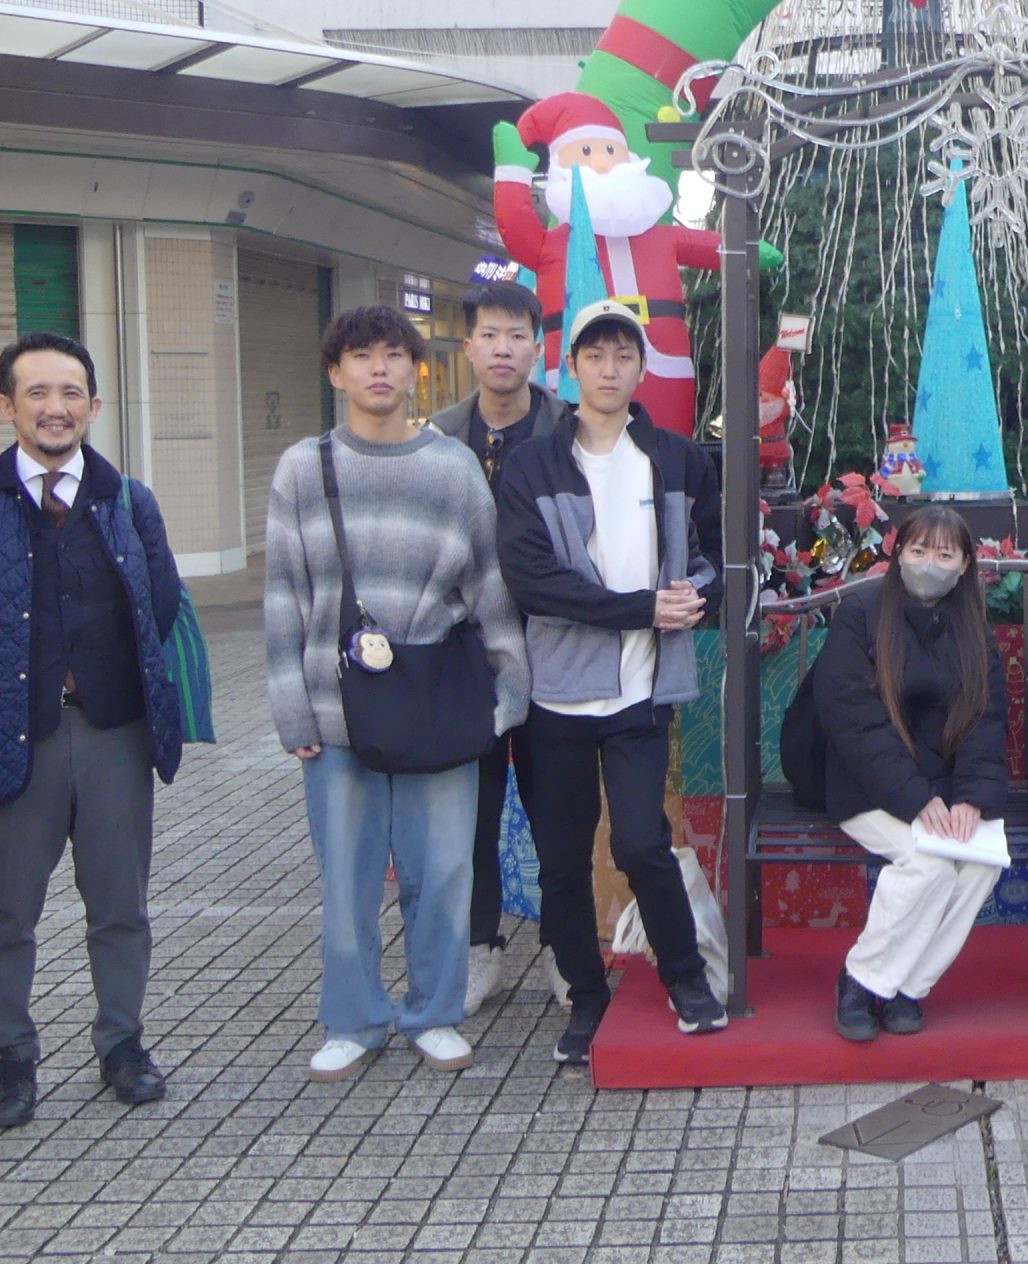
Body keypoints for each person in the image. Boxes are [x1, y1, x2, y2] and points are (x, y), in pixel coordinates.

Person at [0, 334, 186, 1130]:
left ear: (94, 406)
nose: (55, 407)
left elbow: (161, 604)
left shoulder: (129, 501)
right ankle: (9, 1060)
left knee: (120, 905)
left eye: (71, 392)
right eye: (36, 393)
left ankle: (123, 1045)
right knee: (5, 914)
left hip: (112, 734)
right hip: (12, 738)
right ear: (7, 406)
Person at [266, 304, 530, 1083]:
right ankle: (354, 1018)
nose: (377, 369)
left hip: (439, 700)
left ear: (417, 368)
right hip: (336, 703)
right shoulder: (302, 468)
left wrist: (508, 690)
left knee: (444, 867)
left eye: (393, 355)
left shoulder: (450, 467)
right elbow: (284, 593)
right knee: (346, 872)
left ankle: (435, 1010)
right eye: (360, 356)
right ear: (335, 371)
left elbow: (490, 587)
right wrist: (291, 707)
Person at [493, 297, 726, 1066]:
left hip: (639, 694)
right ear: (572, 367)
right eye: (595, 354)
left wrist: (700, 592)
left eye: (624, 354)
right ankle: (586, 997)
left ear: (640, 366)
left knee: (640, 842)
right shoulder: (532, 464)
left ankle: (686, 978)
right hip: (552, 699)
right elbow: (533, 582)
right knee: (561, 861)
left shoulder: (678, 457)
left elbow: (715, 556)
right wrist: (643, 609)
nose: (609, 368)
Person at [810, 506, 1010, 1042]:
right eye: (918, 551)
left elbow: (987, 718)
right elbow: (852, 718)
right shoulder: (863, 613)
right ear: (897, 554)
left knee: (978, 865)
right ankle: (859, 981)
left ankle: (906, 988)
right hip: (869, 783)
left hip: (944, 787)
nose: (929, 564)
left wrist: (971, 797)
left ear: (966, 564)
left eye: (945, 555)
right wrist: (915, 798)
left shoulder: (974, 629)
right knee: (930, 867)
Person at [430, 279, 564, 1015]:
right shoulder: (438, 436)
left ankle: (562, 949)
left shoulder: (569, 430)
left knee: (556, 810)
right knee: (468, 811)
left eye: (517, 336)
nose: (503, 349)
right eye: (489, 335)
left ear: (536, 347)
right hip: (467, 660)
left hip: (550, 651)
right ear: (470, 344)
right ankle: (479, 945)